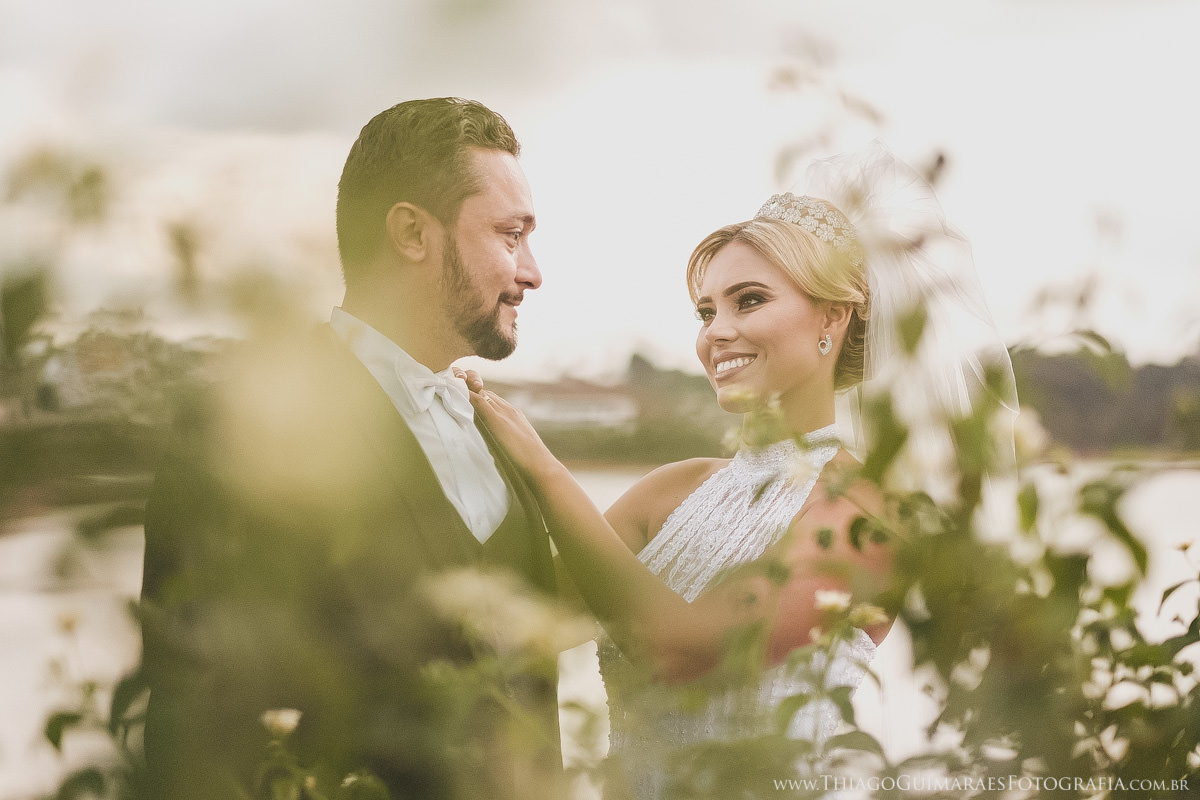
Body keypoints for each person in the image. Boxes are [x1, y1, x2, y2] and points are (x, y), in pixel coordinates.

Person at [464, 148, 1016, 798]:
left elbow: (678, 644)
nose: (716, 333)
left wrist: (542, 467)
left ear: (833, 318)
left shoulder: (870, 512)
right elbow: (510, 623)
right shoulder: (669, 492)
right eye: (706, 312)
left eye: (747, 301)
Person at [139, 98, 561, 800]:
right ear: (411, 233)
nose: (533, 271)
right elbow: (194, 727)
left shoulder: (498, 435)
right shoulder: (244, 431)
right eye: (510, 236)